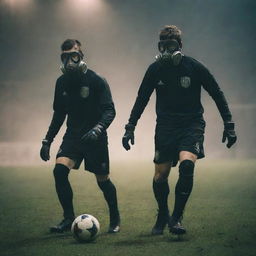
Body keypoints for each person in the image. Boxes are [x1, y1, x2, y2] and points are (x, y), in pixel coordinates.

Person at [122, 25, 237, 235]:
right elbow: (141, 99)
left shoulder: (194, 67)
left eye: (171, 45)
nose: (166, 50)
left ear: (180, 46)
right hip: (165, 127)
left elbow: (217, 93)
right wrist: (130, 127)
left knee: (186, 165)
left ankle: (176, 218)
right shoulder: (155, 70)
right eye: (163, 46)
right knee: (160, 176)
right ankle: (163, 213)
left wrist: (228, 124)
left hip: (191, 124)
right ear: (159, 46)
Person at [40, 39, 120, 233]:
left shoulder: (96, 80)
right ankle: (68, 219)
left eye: (73, 56)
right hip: (73, 137)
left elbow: (110, 110)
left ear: (81, 57)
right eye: (65, 57)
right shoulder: (61, 83)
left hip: (96, 137)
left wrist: (98, 128)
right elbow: (59, 114)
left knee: (103, 181)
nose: (70, 61)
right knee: (59, 171)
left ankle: (115, 218)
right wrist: (47, 140)